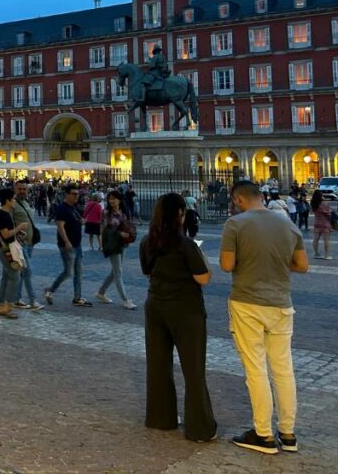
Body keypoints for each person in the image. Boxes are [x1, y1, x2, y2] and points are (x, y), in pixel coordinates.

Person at [220, 181, 308, 455]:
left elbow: (226, 265)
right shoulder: (287, 224)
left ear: (237, 199)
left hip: (247, 302)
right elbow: (302, 266)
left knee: (256, 369)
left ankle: (264, 434)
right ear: (261, 196)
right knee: (283, 369)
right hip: (281, 303)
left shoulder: (235, 225)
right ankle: (288, 433)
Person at [140, 192, 216, 442]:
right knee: (193, 368)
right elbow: (203, 278)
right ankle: (199, 427)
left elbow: (147, 272)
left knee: (158, 364)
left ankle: (161, 418)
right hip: (185, 309)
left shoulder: (147, 242)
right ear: (180, 215)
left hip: (155, 306)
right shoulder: (186, 245)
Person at [44, 184, 92, 307]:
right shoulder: (62, 208)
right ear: (67, 194)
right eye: (74, 194)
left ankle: (77, 297)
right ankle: (50, 290)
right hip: (67, 245)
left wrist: (82, 221)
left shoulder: (73, 208)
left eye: (77, 194)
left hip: (77, 244)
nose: (76, 196)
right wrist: (66, 241)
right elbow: (60, 226)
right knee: (68, 272)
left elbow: (77, 220)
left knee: (78, 272)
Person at [97, 190, 137, 310]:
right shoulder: (106, 212)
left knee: (115, 271)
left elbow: (128, 223)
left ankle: (101, 292)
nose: (111, 200)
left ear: (119, 199)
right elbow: (106, 229)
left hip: (122, 243)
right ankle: (125, 300)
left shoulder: (124, 211)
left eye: (114, 198)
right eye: (110, 199)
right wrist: (119, 233)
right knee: (118, 272)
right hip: (112, 244)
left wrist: (128, 233)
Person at [10, 183, 43, 311]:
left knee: (22, 273)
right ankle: (33, 300)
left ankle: (16, 299)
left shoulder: (26, 202)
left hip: (30, 243)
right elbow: (9, 222)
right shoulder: (13, 204)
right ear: (15, 189)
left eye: (25, 189)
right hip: (20, 244)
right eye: (20, 189)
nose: (23, 191)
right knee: (27, 271)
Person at [0, 188, 24, 319]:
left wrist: (18, 232)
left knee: (6, 276)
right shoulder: (2, 214)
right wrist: (19, 228)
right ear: (7, 200)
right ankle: (8, 306)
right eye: (13, 198)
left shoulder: (5, 213)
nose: (15, 201)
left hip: (6, 248)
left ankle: (2, 305)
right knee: (15, 276)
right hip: (5, 249)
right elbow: (5, 234)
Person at [310, 190, 333, 260]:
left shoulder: (313, 203)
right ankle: (326, 255)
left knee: (315, 239)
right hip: (325, 223)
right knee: (326, 240)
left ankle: (316, 253)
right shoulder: (325, 203)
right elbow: (328, 213)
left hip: (316, 222)